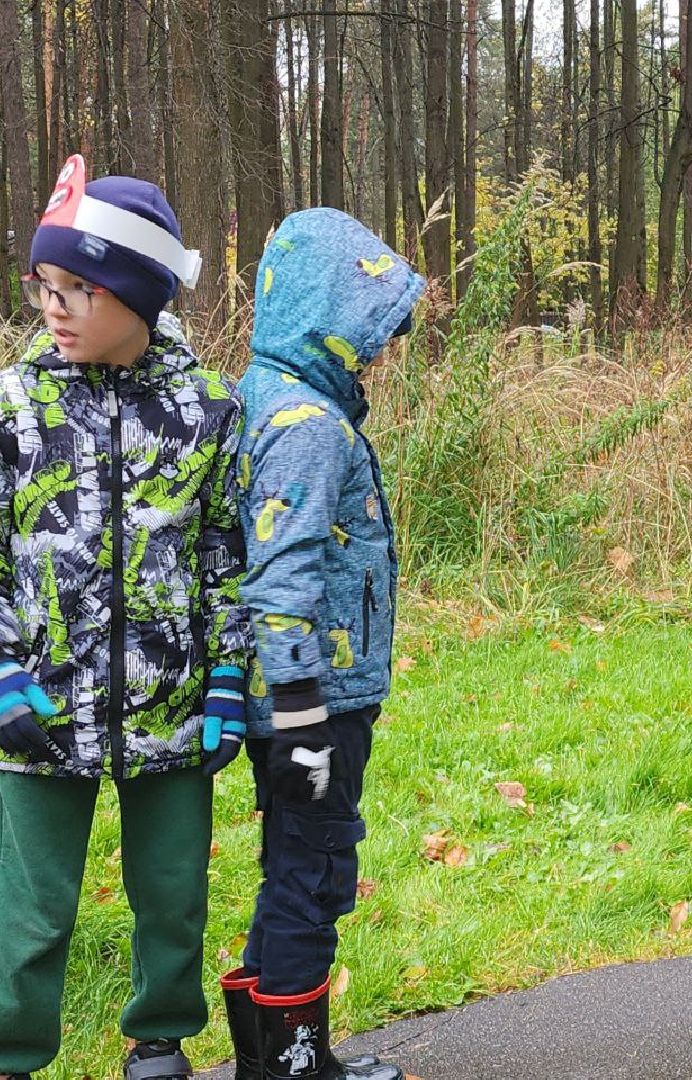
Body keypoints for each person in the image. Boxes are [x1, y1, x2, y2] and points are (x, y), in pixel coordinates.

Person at [0, 156, 249, 1080]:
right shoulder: (14, 409)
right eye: (44, 288)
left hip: (171, 702)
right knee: (27, 904)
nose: (53, 308)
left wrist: (228, 677)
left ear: (137, 297)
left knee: (173, 892)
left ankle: (160, 1036)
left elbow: (227, 557)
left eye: (78, 288)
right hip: (36, 707)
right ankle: (13, 1049)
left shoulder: (207, 412)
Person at [219, 208, 423, 1080]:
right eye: (369, 331)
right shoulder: (307, 426)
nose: (379, 352)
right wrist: (302, 711)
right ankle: (301, 1067)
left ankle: (270, 1062)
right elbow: (283, 566)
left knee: (291, 866)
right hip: (317, 705)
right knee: (317, 872)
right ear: (325, 317)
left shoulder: (267, 395)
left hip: (299, 699)